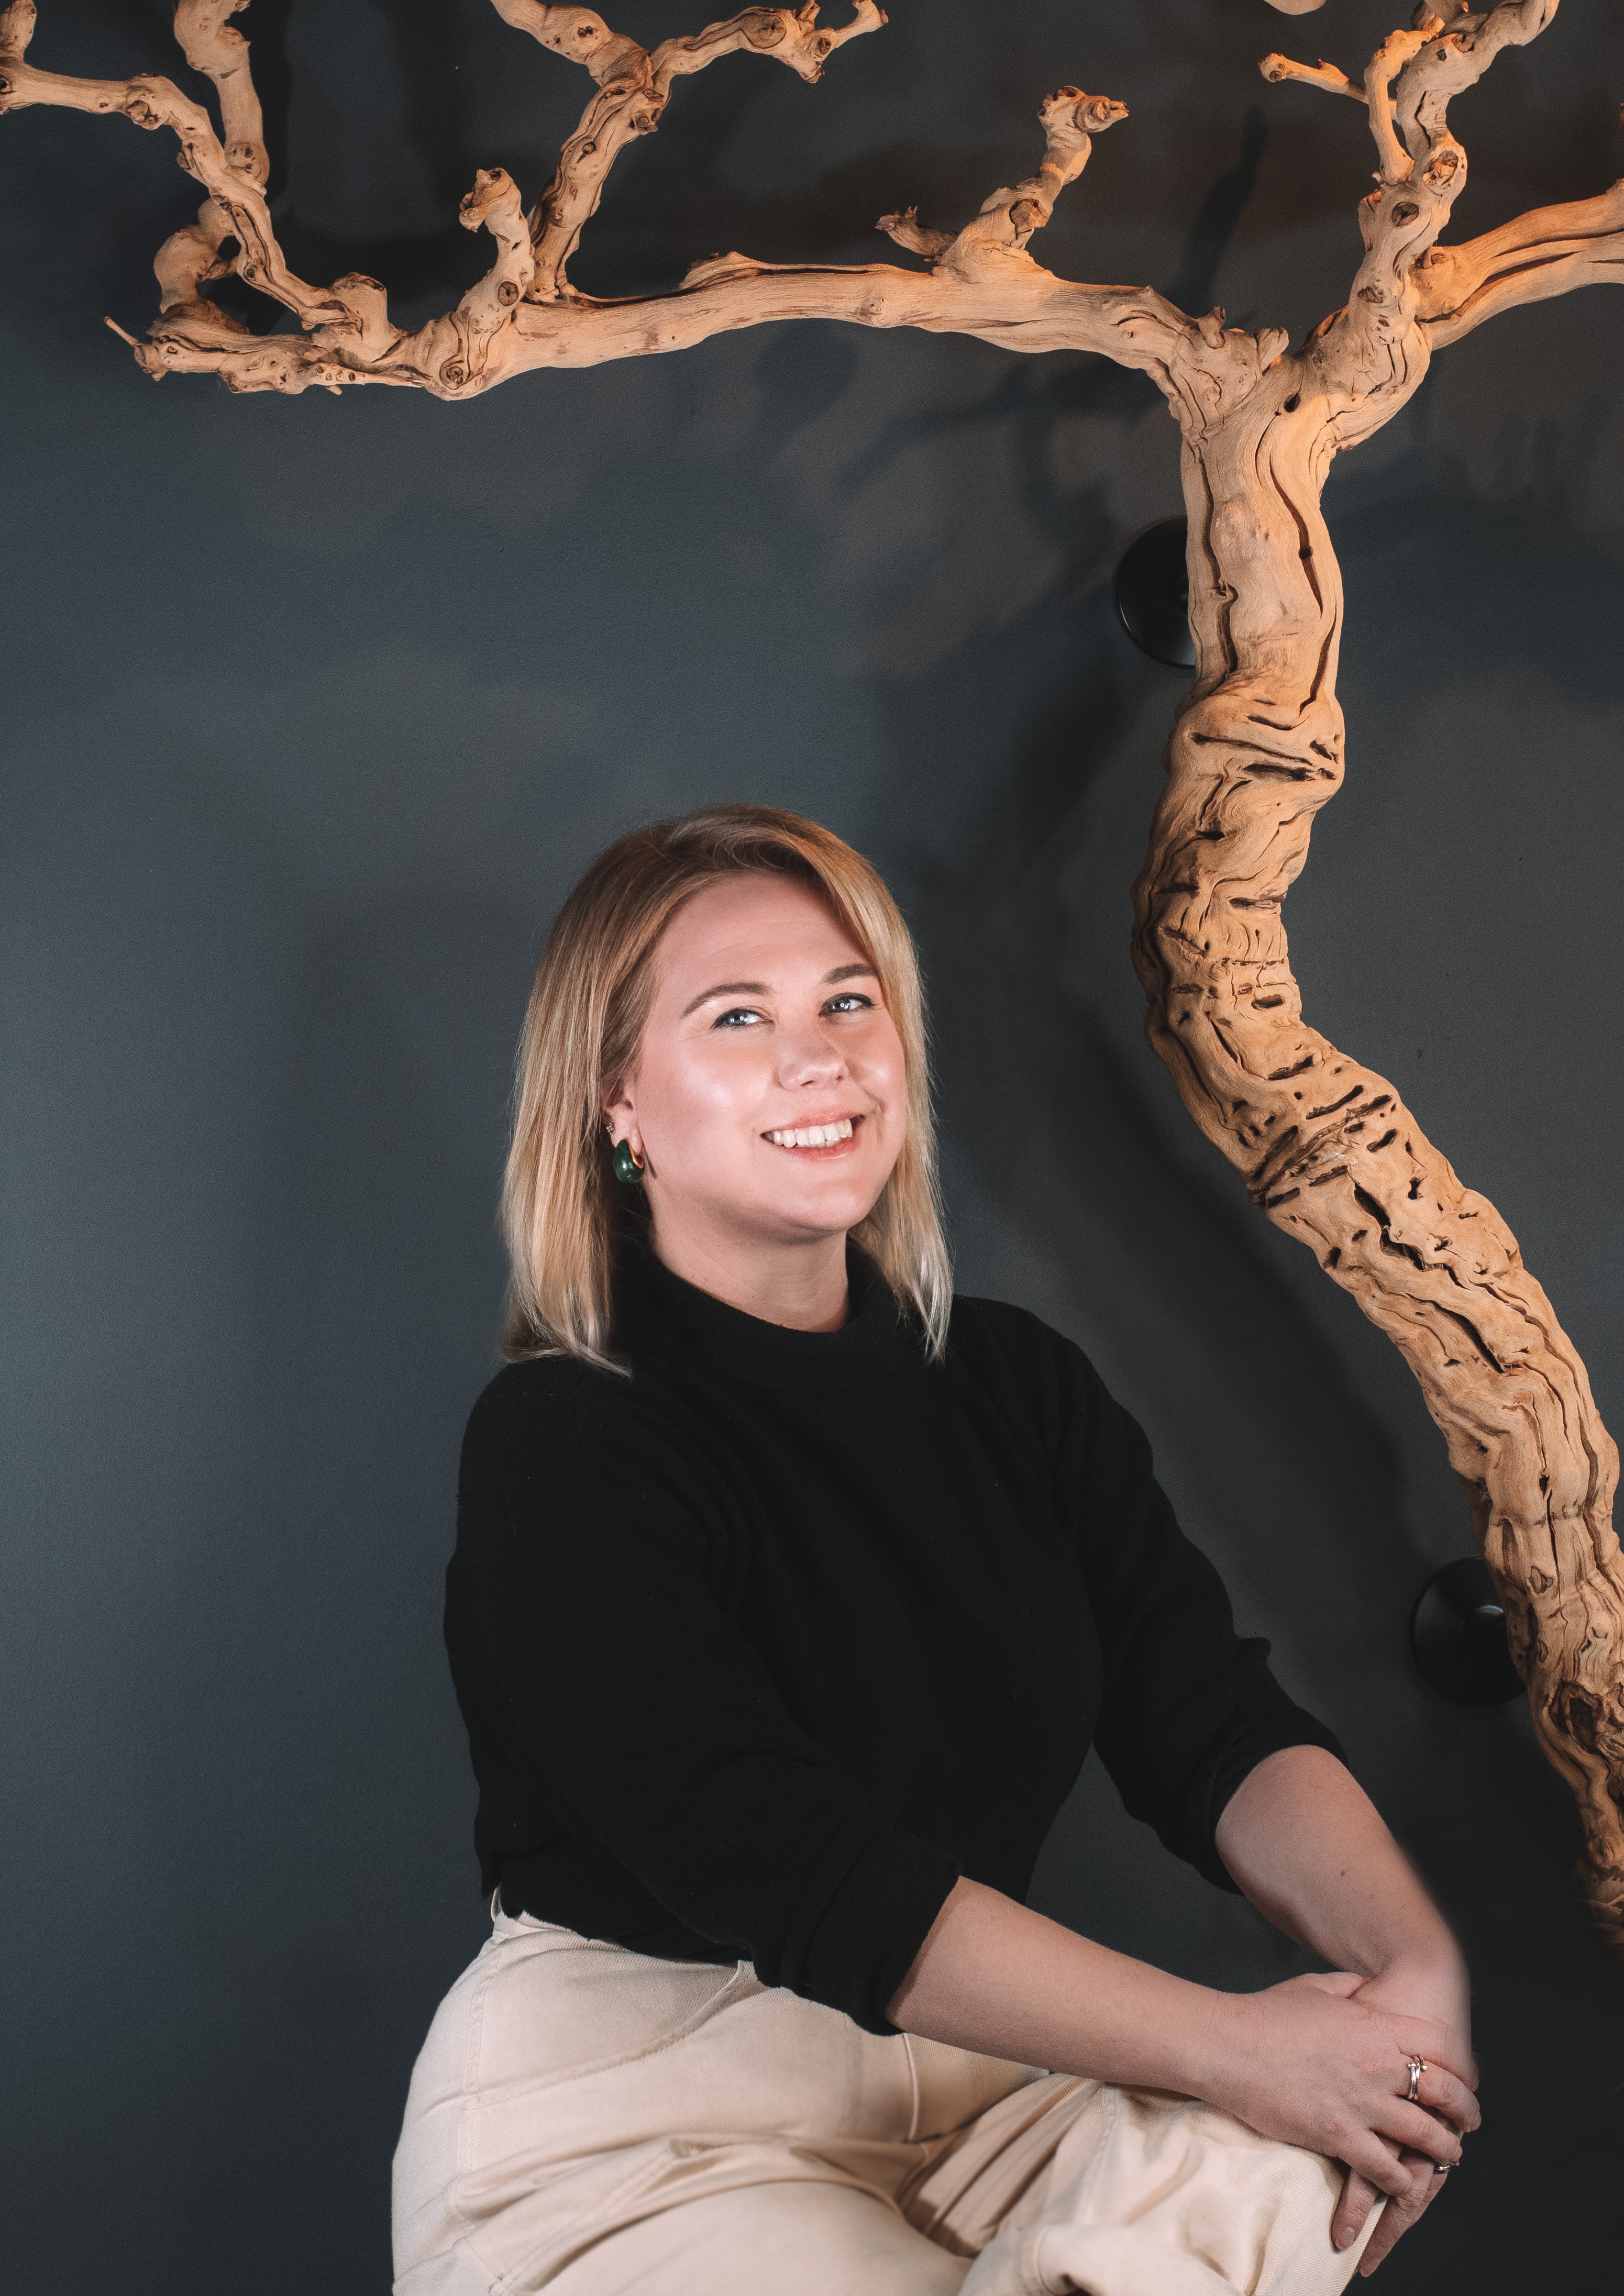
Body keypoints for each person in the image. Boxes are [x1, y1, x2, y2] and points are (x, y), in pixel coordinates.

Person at [391, 804, 1478, 2296]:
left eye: (851, 998)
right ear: (616, 1102)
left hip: (981, 2083)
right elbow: (804, 1870)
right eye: (737, 1017)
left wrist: (1417, 1980)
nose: (821, 1054)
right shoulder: (567, 1443)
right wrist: (1241, 2045)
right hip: (642, 2128)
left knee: (1306, 2140)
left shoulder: (1016, 1386)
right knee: (1273, 2092)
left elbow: (1212, 1723)